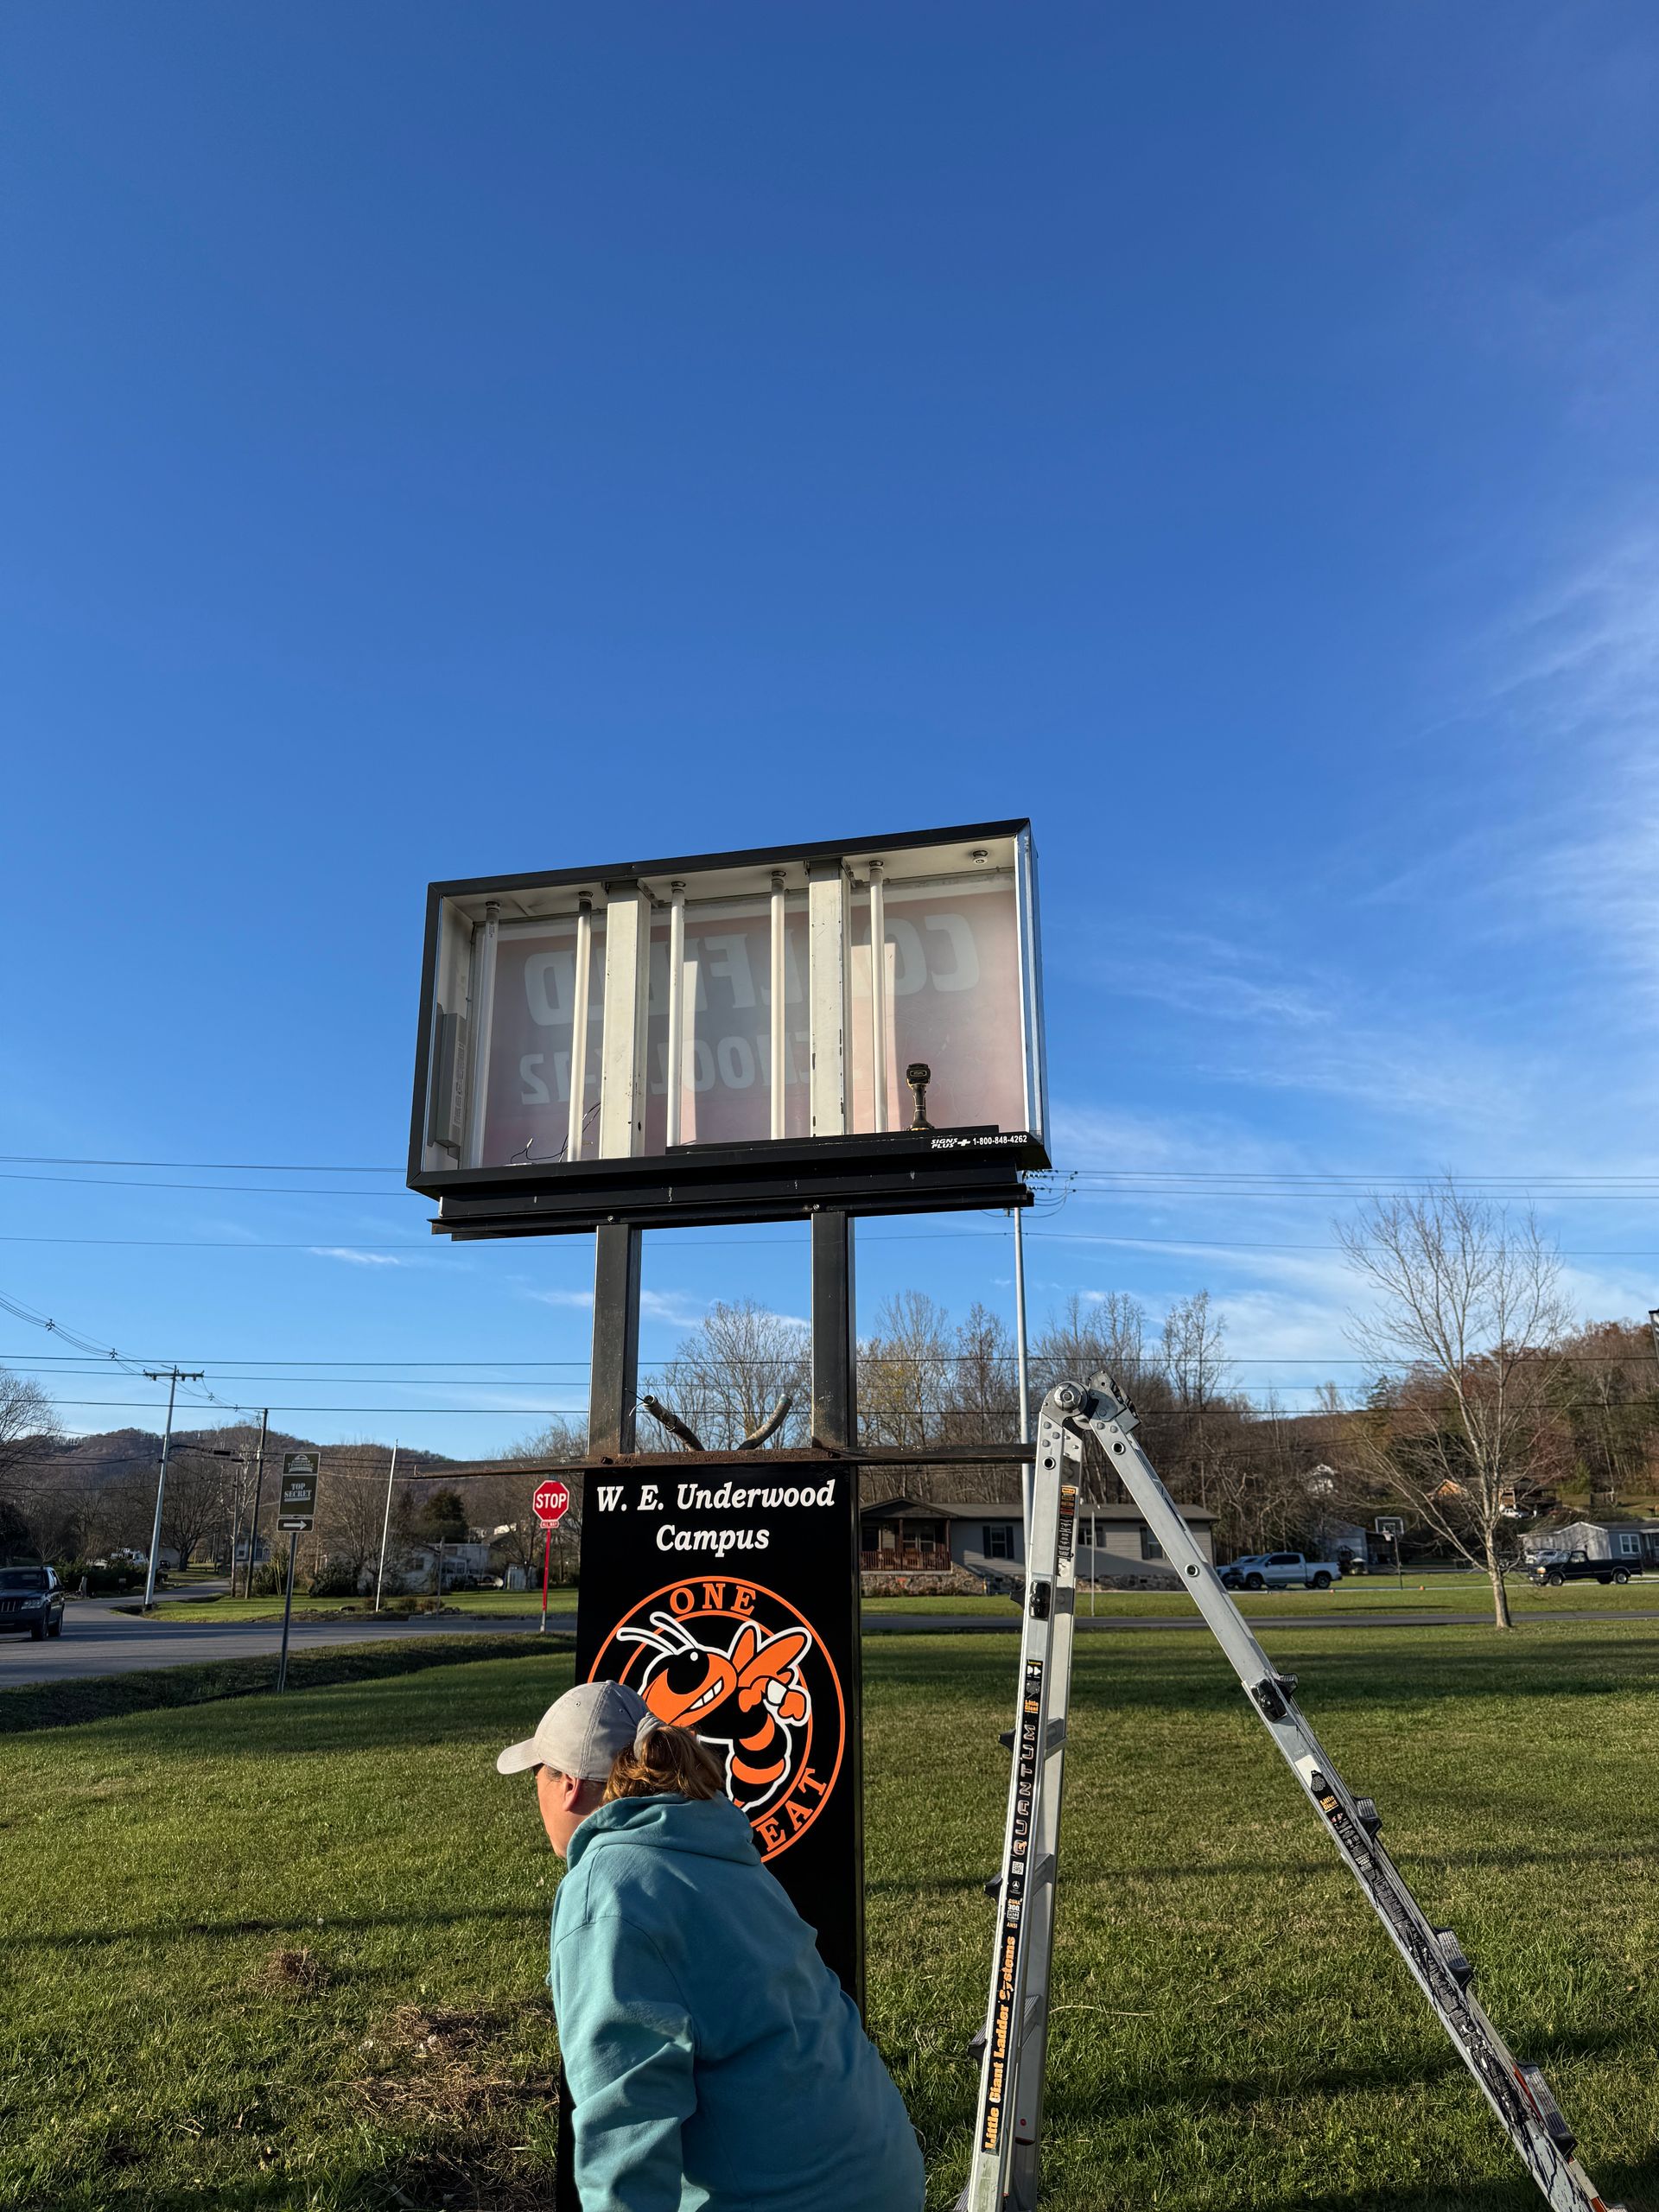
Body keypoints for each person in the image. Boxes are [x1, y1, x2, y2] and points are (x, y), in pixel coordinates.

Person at [497, 1679, 925, 2212]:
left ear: (568, 1786)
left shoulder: (604, 1890)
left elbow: (626, 2120)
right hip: (883, 2172)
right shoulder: (716, 1845)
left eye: (539, 1772)